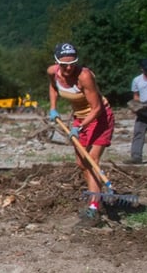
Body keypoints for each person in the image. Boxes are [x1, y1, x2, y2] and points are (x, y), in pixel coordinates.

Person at [46, 42, 115, 226]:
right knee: (82, 163)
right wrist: (53, 108)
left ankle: (94, 206)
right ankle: (96, 197)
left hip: (100, 118)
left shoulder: (84, 76)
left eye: (73, 63)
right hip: (80, 119)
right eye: (64, 64)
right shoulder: (53, 72)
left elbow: (97, 108)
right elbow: (53, 87)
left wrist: (80, 127)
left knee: (92, 160)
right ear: (57, 62)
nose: (68, 68)